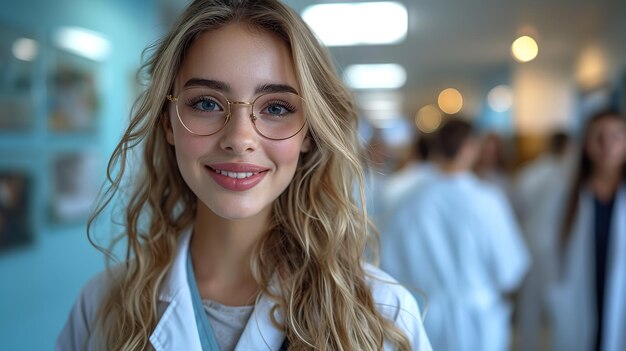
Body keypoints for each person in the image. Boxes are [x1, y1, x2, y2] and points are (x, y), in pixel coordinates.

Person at [55, 1, 432, 350]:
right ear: (168, 122)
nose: (239, 139)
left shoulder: (382, 311)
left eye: (277, 108)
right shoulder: (101, 307)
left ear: (309, 133)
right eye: (206, 103)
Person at [382, 118, 530, 351]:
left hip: (428, 319)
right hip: (480, 323)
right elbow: (510, 270)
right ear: (471, 148)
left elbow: (389, 266)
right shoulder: (488, 201)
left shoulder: (409, 202)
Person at [548, 110, 626, 351]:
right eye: (598, 136)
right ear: (585, 144)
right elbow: (549, 251)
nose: (607, 145)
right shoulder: (565, 195)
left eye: (616, 136)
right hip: (579, 300)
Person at [513, 131, 575, 351]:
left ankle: (528, 346)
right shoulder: (569, 176)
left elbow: (518, 211)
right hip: (557, 249)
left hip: (529, 244)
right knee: (559, 306)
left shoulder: (529, 173)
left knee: (530, 306)